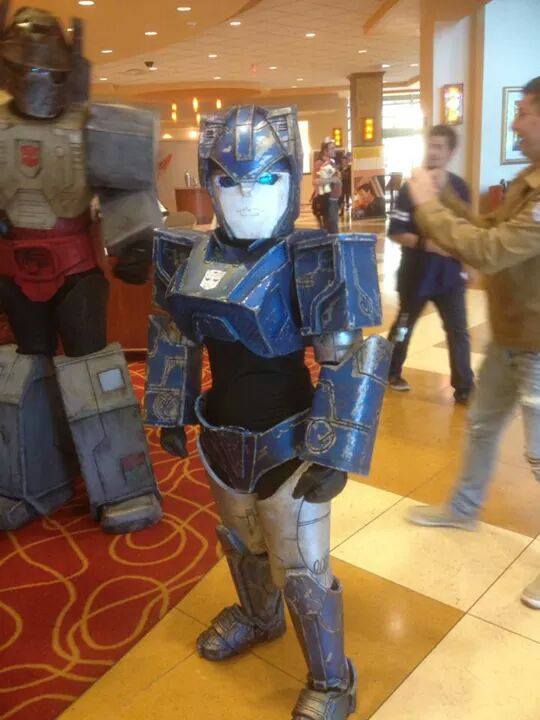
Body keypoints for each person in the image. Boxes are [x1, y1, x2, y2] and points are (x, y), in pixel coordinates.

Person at [145, 104, 392, 719]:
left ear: (291, 177)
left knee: (303, 571)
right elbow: (174, 333)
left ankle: (333, 681)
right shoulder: (187, 254)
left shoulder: (317, 258)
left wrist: (336, 452)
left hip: (291, 441)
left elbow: (348, 357)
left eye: (264, 178)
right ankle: (259, 617)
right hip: (220, 432)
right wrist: (171, 409)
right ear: (210, 182)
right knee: (241, 542)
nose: (247, 196)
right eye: (229, 181)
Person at [0, 5, 162, 533]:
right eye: (26, 69)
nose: (36, 81)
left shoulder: (91, 125)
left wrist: (135, 245)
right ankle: (32, 478)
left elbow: (126, 191)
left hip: (76, 268)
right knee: (23, 377)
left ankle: (121, 485)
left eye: (46, 71)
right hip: (14, 268)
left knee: (95, 375)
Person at [406, 77, 540, 610]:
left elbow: (487, 251)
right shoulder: (528, 180)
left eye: (524, 111)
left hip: (538, 345)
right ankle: (463, 510)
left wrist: (428, 206)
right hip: (512, 336)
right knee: (483, 425)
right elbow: (485, 228)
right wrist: (442, 198)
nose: (515, 122)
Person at [387, 125, 475, 404]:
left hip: (450, 277)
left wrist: (468, 265)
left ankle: (464, 386)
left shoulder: (460, 188)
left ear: (451, 152)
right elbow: (396, 232)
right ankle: (389, 371)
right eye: (430, 145)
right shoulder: (411, 188)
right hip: (416, 275)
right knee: (404, 326)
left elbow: (467, 231)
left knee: (458, 331)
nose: (433, 152)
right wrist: (430, 245)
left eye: (439, 147)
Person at [312, 140, 341, 233]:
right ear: (325, 151)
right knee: (331, 230)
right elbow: (315, 181)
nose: (334, 150)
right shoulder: (320, 163)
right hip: (328, 200)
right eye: (332, 148)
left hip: (334, 200)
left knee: (333, 227)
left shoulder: (331, 162)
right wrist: (332, 180)